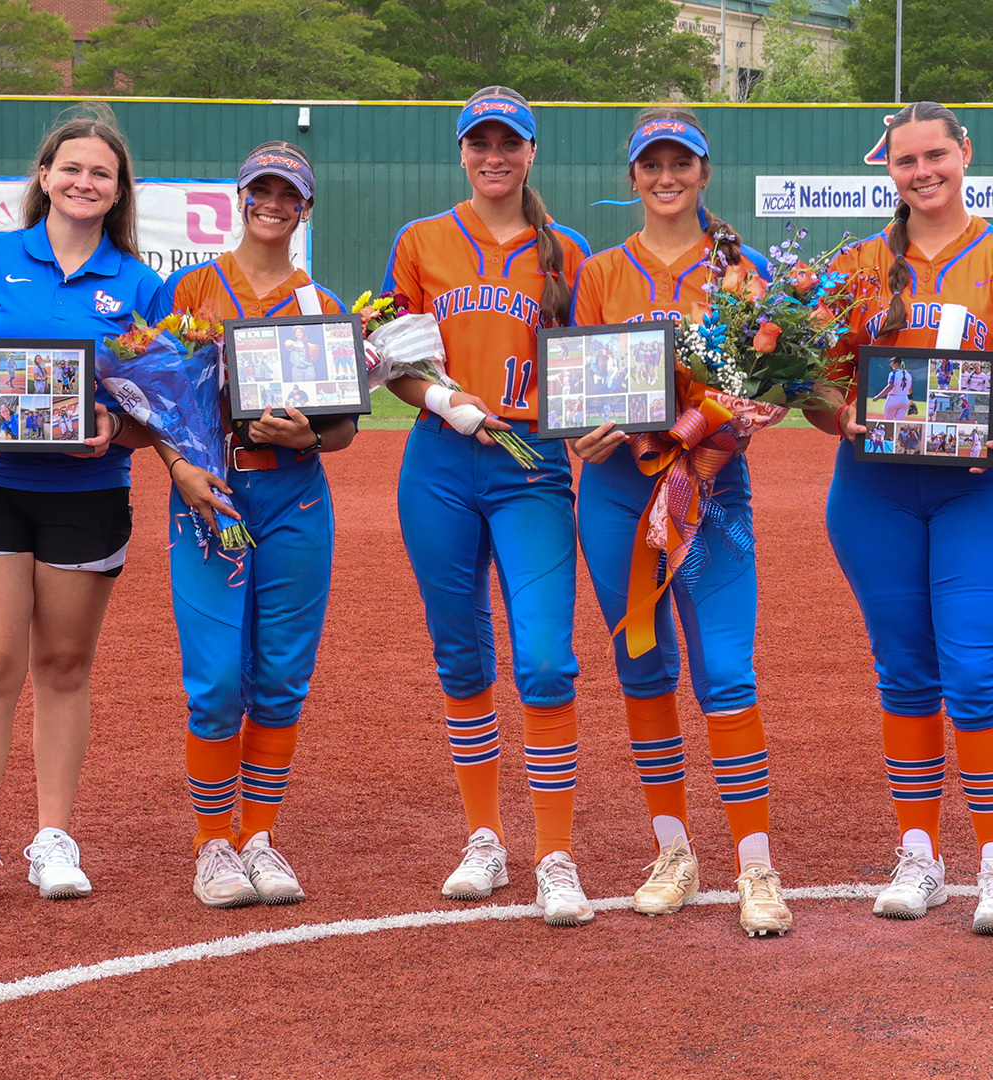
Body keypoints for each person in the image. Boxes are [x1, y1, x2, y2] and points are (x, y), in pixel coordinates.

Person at [811, 101, 993, 936]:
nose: (922, 172)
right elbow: (813, 380)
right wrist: (838, 416)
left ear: (965, 154)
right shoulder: (854, 264)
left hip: (978, 489)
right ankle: (920, 855)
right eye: (905, 162)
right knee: (904, 674)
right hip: (873, 490)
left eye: (935, 155)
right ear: (887, 170)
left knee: (974, 673)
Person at [0, 104, 160, 912]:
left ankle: (53, 837)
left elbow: (156, 408)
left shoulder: (138, 282)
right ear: (45, 177)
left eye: (102, 171)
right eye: (72, 168)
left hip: (88, 494)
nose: (85, 181)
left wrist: (112, 429)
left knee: (63, 666)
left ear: (118, 188)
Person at [567, 108, 792, 937]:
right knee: (643, 667)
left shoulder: (741, 270)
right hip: (618, 494)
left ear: (704, 173)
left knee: (727, 674)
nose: (666, 177)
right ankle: (673, 852)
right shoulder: (599, 271)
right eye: (651, 164)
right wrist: (586, 432)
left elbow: (771, 386)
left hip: (712, 488)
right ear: (633, 177)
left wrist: (711, 437)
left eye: (681, 163)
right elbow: (583, 381)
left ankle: (756, 867)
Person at [380, 86, 596, 923]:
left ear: (532, 151)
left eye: (509, 142)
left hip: (532, 461)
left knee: (544, 659)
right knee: (461, 657)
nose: (493, 155)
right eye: (480, 142)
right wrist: (442, 401)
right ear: (462, 150)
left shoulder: (568, 253)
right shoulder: (422, 241)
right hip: (439, 463)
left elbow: (592, 363)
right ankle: (485, 839)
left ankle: (555, 854)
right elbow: (395, 359)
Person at [147, 141, 355, 908]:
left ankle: (258, 835)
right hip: (209, 500)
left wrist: (309, 436)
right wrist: (176, 466)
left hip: (295, 498)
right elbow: (153, 400)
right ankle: (212, 844)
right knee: (218, 680)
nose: (274, 203)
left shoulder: (320, 305)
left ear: (306, 207)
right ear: (240, 196)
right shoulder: (192, 286)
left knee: (278, 678)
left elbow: (340, 435)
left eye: (289, 193)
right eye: (261, 190)